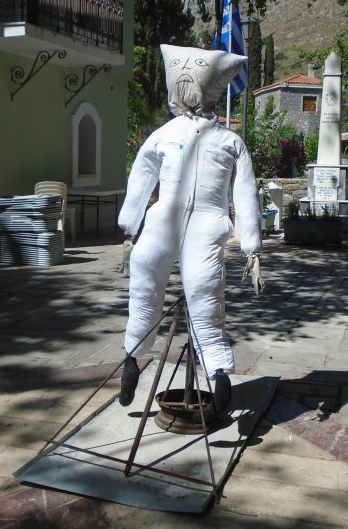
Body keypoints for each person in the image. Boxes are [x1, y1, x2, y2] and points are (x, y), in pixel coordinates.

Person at [118, 44, 263, 422]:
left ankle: (216, 373)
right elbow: (142, 176)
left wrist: (252, 246)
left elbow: (245, 192)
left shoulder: (227, 141)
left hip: (204, 224)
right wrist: (130, 227)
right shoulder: (170, 135)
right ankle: (134, 359)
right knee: (148, 280)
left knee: (202, 291)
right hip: (166, 220)